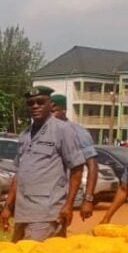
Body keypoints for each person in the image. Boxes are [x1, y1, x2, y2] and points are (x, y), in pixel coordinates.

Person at [0, 87, 86, 241]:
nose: (35, 106)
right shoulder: (24, 134)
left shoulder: (62, 130)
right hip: (23, 211)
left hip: (47, 212)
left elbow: (77, 169)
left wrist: (69, 205)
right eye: (31, 103)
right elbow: (19, 174)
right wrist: (7, 206)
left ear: (50, 104)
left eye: (40, 102)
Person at [50, 91, 99, 220]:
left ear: (64, 111)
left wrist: (88, 199)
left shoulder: (77, 131)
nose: (51, 116)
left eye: (53, 111)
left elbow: (92, 165)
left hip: (66, 195)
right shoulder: (43, 130)